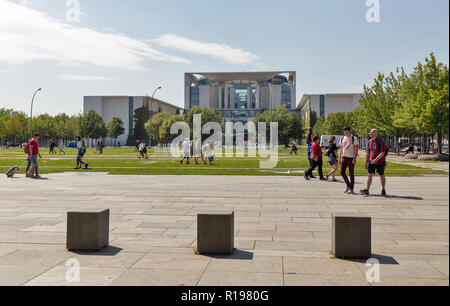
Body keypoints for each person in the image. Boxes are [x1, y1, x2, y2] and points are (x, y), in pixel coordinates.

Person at [361, 129, 387, 197]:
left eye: (372, 132)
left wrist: (376, 160)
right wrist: (366, 163)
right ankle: (367, 190)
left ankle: (383, 189)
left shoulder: (381, 141)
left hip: (380, 162)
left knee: (381, 175)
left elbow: (382, 152)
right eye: (370, 132)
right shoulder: (369, 142)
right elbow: (368, 153)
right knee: (369, 175)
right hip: (371, 162)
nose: (371, 133)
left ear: (376, 133)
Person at [339, 126, 359, 194]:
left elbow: (356, 149)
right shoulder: (342, 138)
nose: (345, 133)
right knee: (341, 172)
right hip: (344, 157)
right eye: (344, 132)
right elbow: (341, 148)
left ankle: (351, 188)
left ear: (349, 131)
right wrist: (339, 158)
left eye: (346, 132)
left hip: (351, 158)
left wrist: (354, 158)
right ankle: (348, 185)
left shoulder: (354, 138)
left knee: (351, 174)